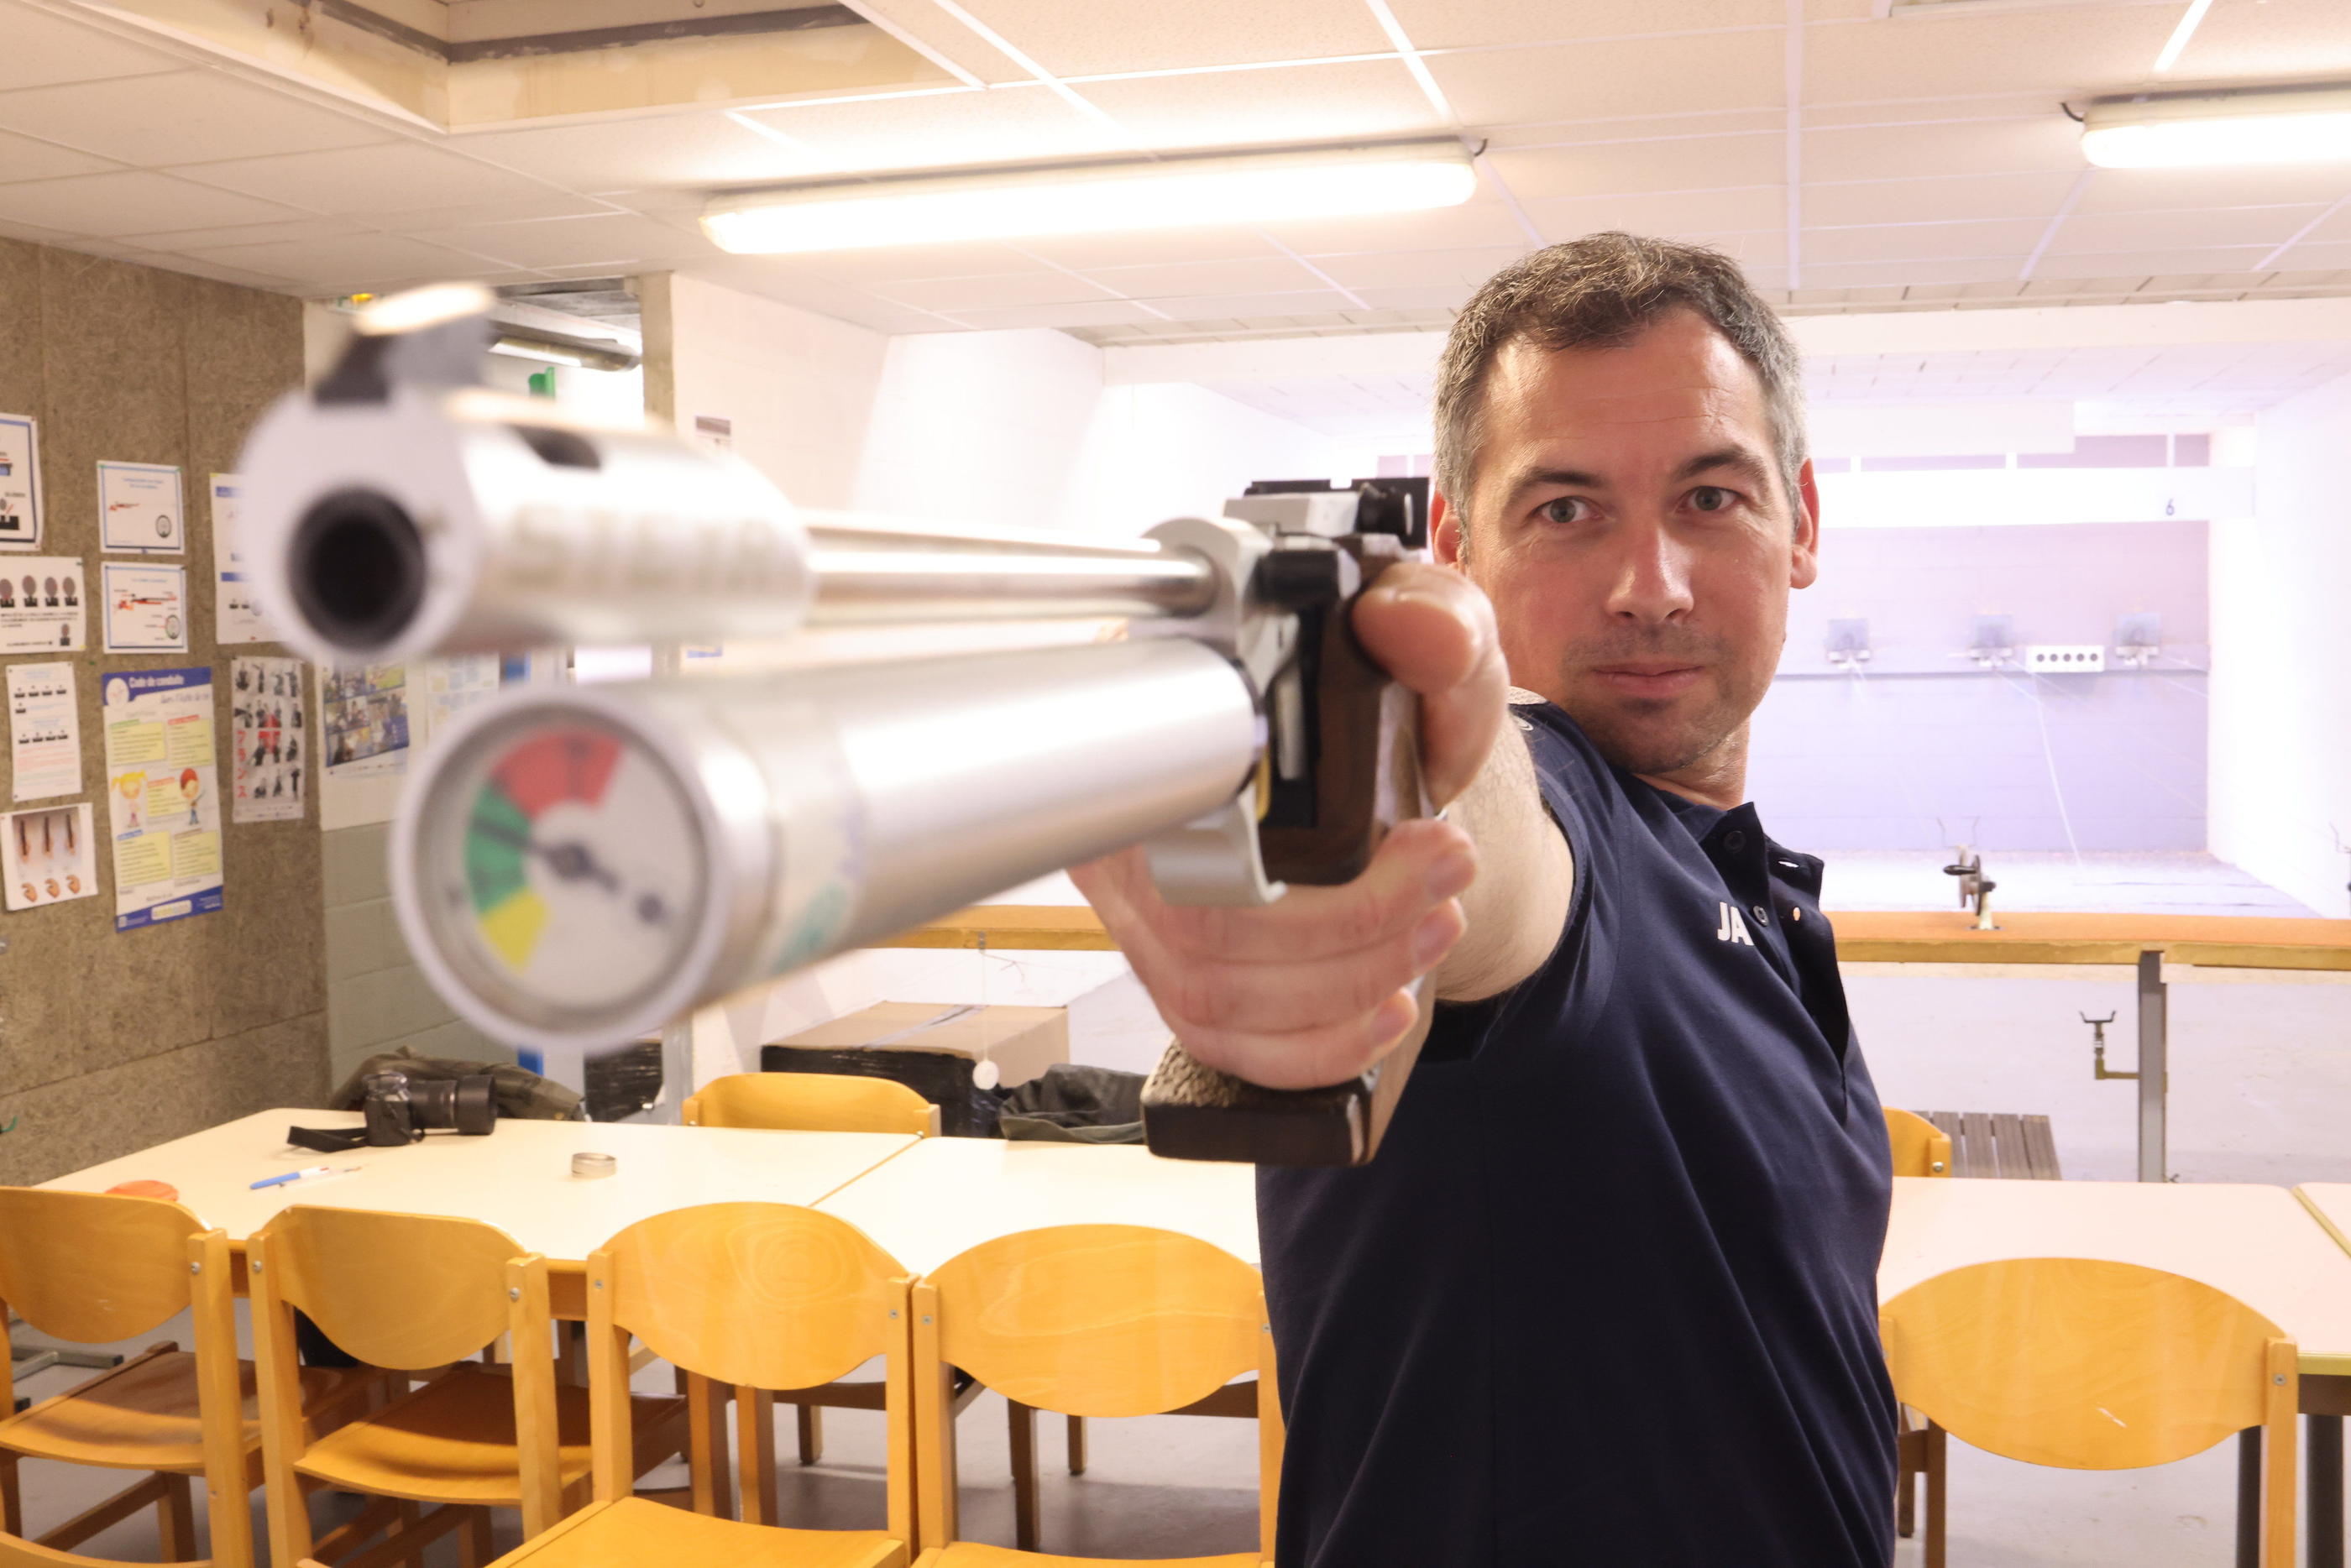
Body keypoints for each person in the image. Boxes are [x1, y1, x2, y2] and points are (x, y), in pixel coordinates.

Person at [1073, 233, 1894, 1565]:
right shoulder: (1550, 819)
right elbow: (1489, 840)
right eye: (1564, 509)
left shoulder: (1753, 887)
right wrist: (1338, 786)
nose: (1652, 587)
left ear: (1800, 519)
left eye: (1710, 499)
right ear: (1456, 546)